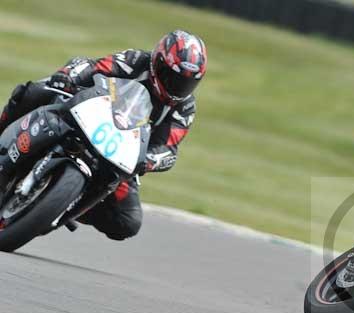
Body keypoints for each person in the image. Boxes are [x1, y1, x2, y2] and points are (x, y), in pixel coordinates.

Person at [0, 30, 207, 240]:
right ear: (157, 62)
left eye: (186, 83)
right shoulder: (135, 60)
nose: (177, 86)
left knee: (128, 222)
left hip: (122, 151)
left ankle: (63, 204)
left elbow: (168, 149)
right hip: (89, 112)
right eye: (171, 76)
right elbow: (92, 66)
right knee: (33, 92)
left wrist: (149, 161)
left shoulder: (184, 107)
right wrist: (68, 76)